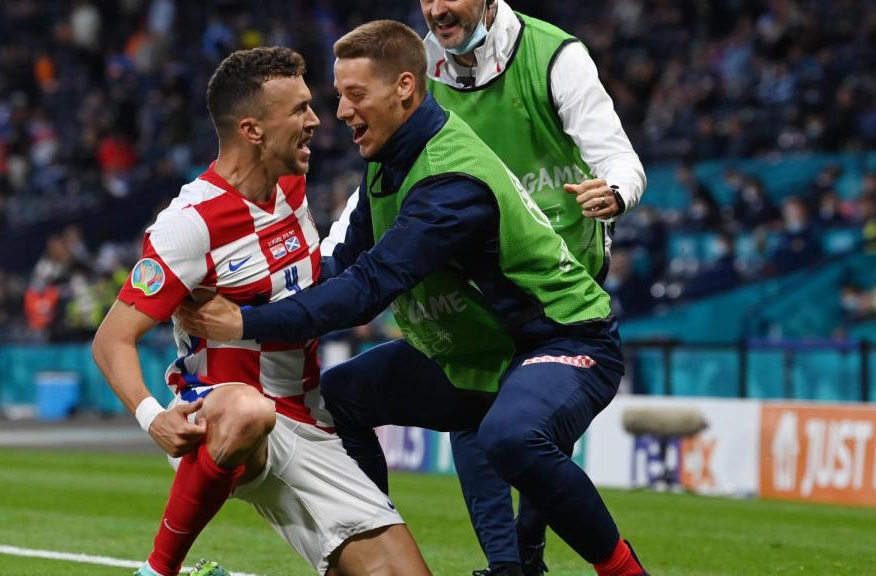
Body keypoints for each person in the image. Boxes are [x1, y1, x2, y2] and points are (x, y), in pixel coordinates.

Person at [178, 21, 648, 576]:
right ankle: (374, 551)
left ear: (404, 87)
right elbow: (342, 264)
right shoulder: (387, 158)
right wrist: (247, 285)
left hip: (567, 338)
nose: (341, 113)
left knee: (510, 436)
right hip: (478, 353)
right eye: (337, 96)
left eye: (356, 95)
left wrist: (244, 322)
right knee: (342, 396)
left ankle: (622, 572)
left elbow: (366, 290)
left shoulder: (451, 180)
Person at [321, 1, 647, 573]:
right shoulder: (411, 66)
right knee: (487, 421)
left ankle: (524, 555)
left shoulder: (555, 57)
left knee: (514, 434)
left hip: (556, 282)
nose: (436, 7)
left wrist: (616, 191)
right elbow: (377, 182)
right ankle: (507, 563)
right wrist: (325, 259)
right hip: (479, 277)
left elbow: (615, 150)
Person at [91, 47, 430, 576]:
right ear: (252, 130)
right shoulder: (190, 224)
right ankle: (159, 571)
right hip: (223, 416)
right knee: (250, 411)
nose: (316, 121)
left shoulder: (291, 186)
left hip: (308, 420)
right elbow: (111, 339)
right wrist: (153, 418)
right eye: (298, 110)